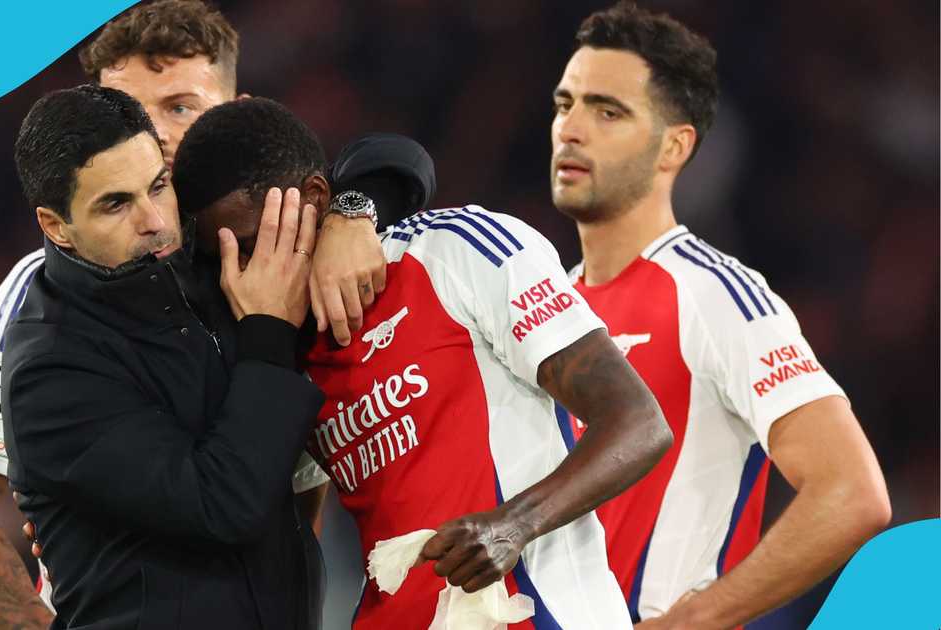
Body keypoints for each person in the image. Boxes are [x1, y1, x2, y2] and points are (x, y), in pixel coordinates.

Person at [0, 2, 408, 626]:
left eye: (179, 107)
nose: (152, 132)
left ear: (237, 114)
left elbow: (285, 489)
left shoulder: (275, 248)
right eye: (127, 107)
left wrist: (352, 212)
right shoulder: (36, 299)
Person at [173, 96, 673, 630]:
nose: (244, 275)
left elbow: (639, 424)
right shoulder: (282, 360)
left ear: (316, 198)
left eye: (253, 245)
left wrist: (513, 526)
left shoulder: (454, 252)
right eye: (221, 258)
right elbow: (297, 538)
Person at [547, 3, 891, 627]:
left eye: (607, 111)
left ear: (674, 147)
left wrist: (693, 620)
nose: (571, 129)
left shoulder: (715, 295)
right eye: (564, 104)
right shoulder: (547, 309)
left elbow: (852, 494)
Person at [2, 84, 328, 628]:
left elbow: (377, 162)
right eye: (115, 203)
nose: (154, 220)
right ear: (57, 226)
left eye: (158, 186)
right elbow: (223, 504)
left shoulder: (197, 260)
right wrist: (268, 331)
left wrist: (354, 215)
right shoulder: (49, 372)